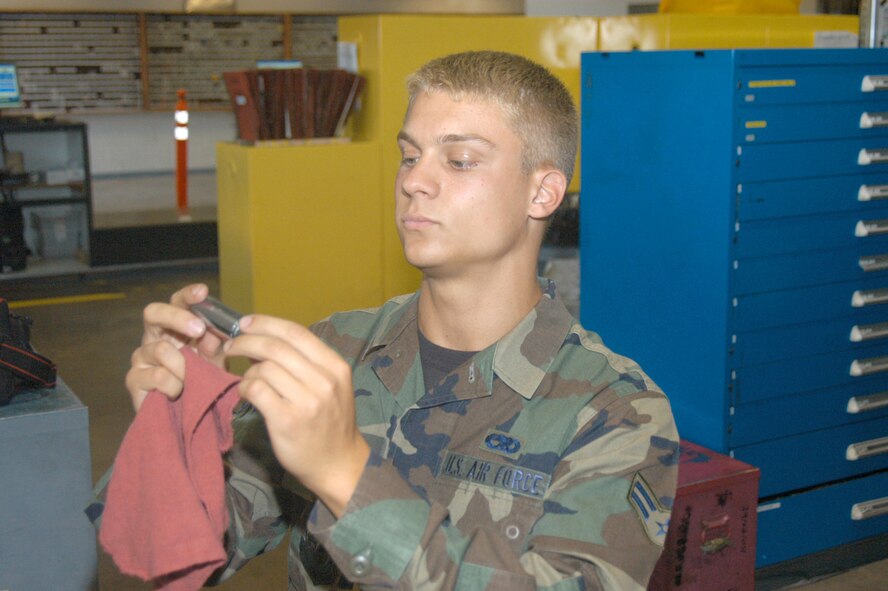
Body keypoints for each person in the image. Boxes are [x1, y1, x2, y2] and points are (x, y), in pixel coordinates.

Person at [116, 51, 679, 590]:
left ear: (542, 192)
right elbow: (195, 553)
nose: (414, 181)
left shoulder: (615, 412)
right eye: (410, 156)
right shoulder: (336, 349)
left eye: (458, 160)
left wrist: (345, 477)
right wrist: (178, 425)